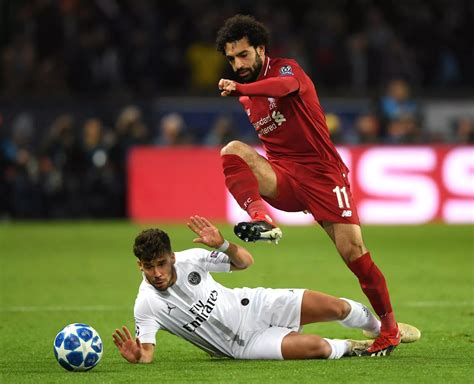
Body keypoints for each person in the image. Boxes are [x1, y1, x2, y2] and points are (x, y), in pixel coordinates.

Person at [215, 15, 400, 355]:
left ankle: (389, 329)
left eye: (243, 55)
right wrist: (243, 91)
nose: (238, 64)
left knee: (354, 254)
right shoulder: (246, 99)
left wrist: (241, 86)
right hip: (286, 179)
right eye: (231, 59)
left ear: (259, 49)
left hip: (323, 177)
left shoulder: (286, 70)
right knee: (234, 151)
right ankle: (262, 218)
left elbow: (284, 90)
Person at [112, 215, 419, 363]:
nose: (157, 273)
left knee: (338, 308)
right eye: (149, 266)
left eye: (161, 264)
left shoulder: (192, 259)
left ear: (172, 257)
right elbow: (148, 354)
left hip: (254, 304)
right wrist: (136, 355)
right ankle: (354, 346)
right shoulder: (146, 305)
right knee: (320, 349)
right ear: (140, 265)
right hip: (242, 345)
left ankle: (380, 329)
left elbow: (245, 261)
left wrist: (222, 244)